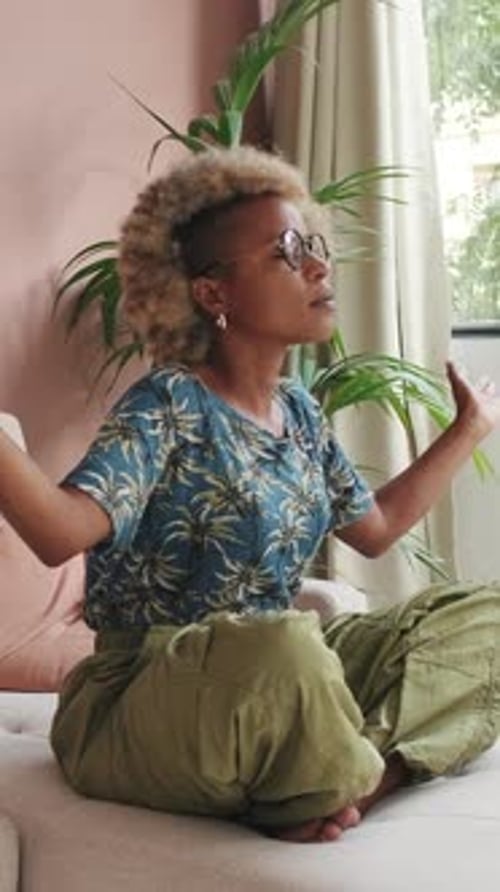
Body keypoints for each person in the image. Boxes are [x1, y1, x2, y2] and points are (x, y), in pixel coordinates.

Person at [1, 145, 500, 844]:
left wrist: (468, 429)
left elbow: (376, 527)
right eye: (288, 252)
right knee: (284, 648)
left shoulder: (299, 411)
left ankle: (355, 774)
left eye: (314, 248)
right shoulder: (169, 402)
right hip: (144, 697)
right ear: (214, 294)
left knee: (484, 620)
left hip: (272, 683)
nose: (320, 268)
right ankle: (330, 769)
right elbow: (60, 531)